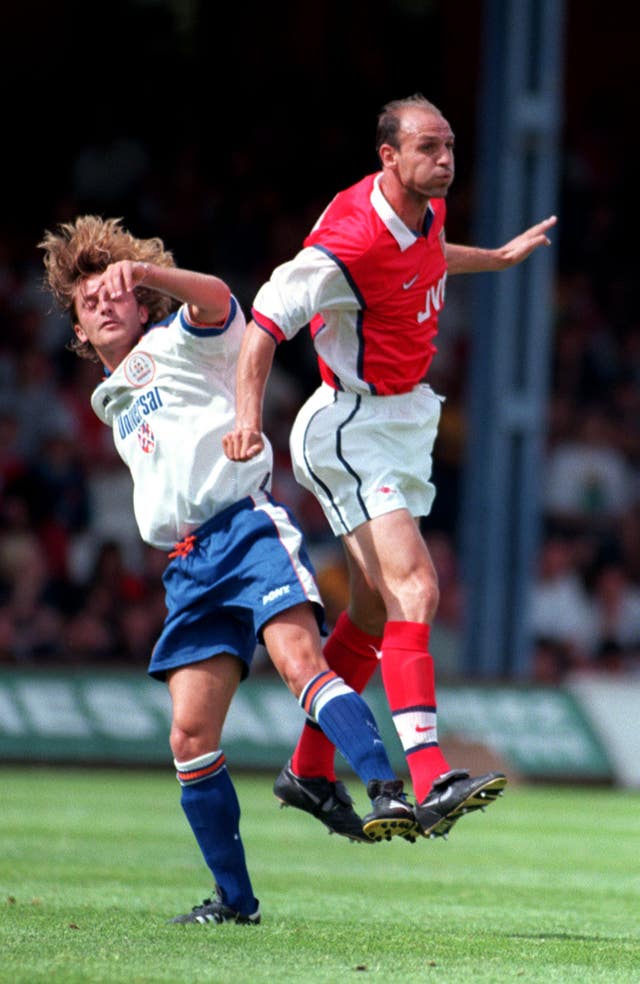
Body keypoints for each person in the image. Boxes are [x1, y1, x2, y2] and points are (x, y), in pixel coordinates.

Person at [38, 217, 416, 928]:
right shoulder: (108, 397)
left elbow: (217, 297)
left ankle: (386, 789)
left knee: (300, 663)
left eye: (114, 292)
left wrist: (147, 272)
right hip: (187, 564)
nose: (105, 305)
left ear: (141, 301)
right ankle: (236, 902)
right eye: (90, 305)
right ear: (81, 335)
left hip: (245, 527)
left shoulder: (180, 338)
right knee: (189, 736)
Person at [223, 93, 557, 840]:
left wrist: (498, 257)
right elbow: (263, 325)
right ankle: (432, 774)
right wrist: (249, 422)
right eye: (429, 148)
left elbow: (430, 256)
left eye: (450, 146)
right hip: (348, 424)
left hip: (403, 424)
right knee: (418, 586)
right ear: (389, 156)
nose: (445, 159)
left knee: (372, 611)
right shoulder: (345, 239)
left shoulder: (427, 211)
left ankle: (309, 771)